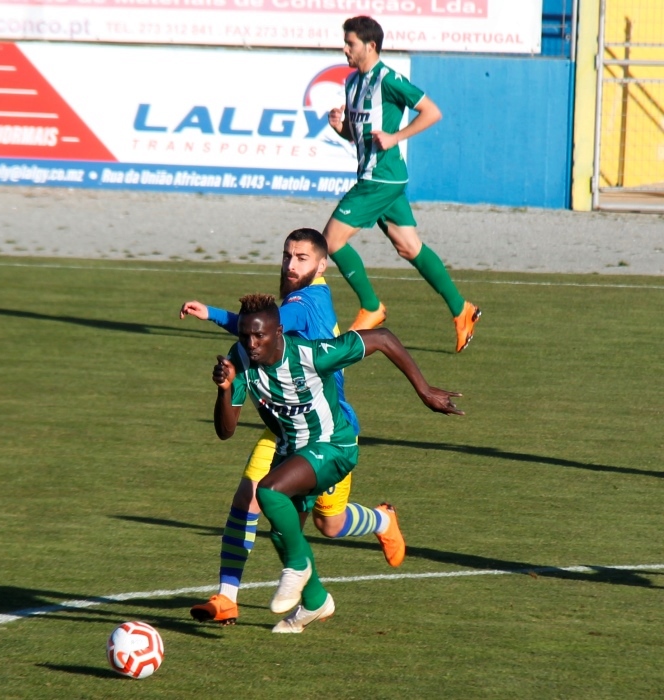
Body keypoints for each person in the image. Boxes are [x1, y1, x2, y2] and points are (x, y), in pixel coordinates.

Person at [180, 228, 406, 626]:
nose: (290, 265)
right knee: (250, 499)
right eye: (287, 255)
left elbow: (257, 327)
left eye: (301, 258)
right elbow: (257, 333)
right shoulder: (297, 299)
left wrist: (213, 313)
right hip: (284, 426)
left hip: (327, 428)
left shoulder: (305, 302)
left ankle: (381, 520)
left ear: (322, 266)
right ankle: (227, 596)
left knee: (329, 523)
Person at [213, 293, 462, 633]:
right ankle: (316, 601)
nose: (251, 343)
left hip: (334, 446)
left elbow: (383, 337)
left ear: (279, 332)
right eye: (245, 335)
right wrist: (225, 389)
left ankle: (298, 567)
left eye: (259, 335)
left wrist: (424, 390)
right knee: (283, 535)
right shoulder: (238, 360)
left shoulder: (311, 355)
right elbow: (225, 431)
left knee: (269, 492)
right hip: (292, 453)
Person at [326, 15, 481, 352]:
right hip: (381, 178)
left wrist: (396, 137)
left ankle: (371, 307)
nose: (345, 49)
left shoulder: (389, 80)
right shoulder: (352, 83)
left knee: (332, 240)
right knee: (409, 247)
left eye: (350, 43)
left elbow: (432, 112)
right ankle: (462, 310)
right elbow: (358, 135)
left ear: (370, 46)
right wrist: (340, 128)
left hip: (380, 178)